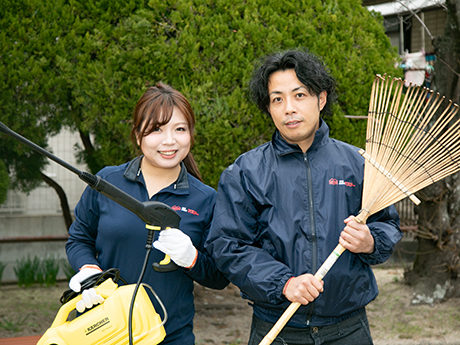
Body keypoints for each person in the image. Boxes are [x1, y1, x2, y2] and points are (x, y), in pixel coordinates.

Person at [205, 49, 402, 345]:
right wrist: (283, 283)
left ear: (321, 99)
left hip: (348, 329)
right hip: (278, 327)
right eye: (277, 99)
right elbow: (227, 245)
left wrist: (370, 241)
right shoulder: (245, 172)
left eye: (299, 95)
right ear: (268, 108)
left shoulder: (358, 164)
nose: (288, 109)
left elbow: (388, 225)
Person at [66, 82, 228, 344]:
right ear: (138, 134)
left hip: (170, 335)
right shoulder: (107, 182)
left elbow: (219, 277)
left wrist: (192, 258)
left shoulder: (206, 198)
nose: (169, 141)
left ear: (191, 134)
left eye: (180, 129)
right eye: (156, 129)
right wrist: (88, 269)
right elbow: (80, 238)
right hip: (105, 330)